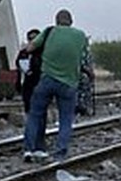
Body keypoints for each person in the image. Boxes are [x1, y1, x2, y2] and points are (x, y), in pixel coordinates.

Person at [21, 9, 91, 162]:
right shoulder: (80, 36)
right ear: (71, 21)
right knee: (66, 118)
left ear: (56, 21)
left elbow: (30, 48)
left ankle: (29, 149)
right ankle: (60, 152)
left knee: (35, 115)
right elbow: (84, 57)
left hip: (47, 80)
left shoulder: (49, 31)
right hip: (69, 83)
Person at [14, 28, 42, 112]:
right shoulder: (24, 53)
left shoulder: (44, 53)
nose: (32, 41)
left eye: (35, 38)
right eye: (30, 38)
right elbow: (19, 65)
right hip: (27, 85)